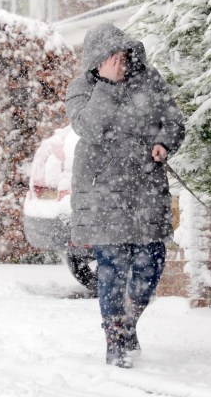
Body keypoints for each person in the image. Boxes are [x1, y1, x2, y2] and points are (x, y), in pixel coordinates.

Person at [66, 23, 185, 368]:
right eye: (112, 57)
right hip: (102, 191)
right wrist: (106, 85)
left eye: (123, 55)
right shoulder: (81, 88)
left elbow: (174, 120)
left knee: (153, 262)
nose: (120, 62)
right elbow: (88, 128)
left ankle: (129, 320)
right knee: (112, 266)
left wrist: (164, 143)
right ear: (96, 60)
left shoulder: (150, 80)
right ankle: (115, 338)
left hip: (146, 186)